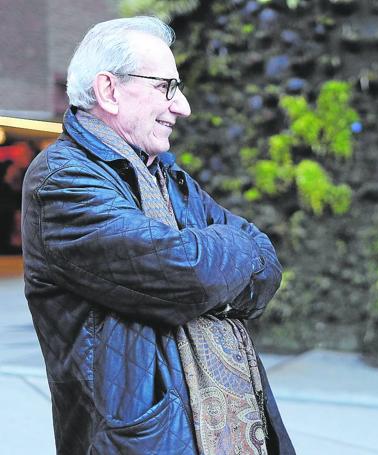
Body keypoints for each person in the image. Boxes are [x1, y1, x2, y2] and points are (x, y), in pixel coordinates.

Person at [22, 17, 294, 455]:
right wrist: (229, 259)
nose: (182, 106)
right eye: (166, 86)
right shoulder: (62, 179)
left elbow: (267, 264)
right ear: (109, 90)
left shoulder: (167, 174)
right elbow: (190, 275)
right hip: (143, 441)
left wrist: (219, 263)